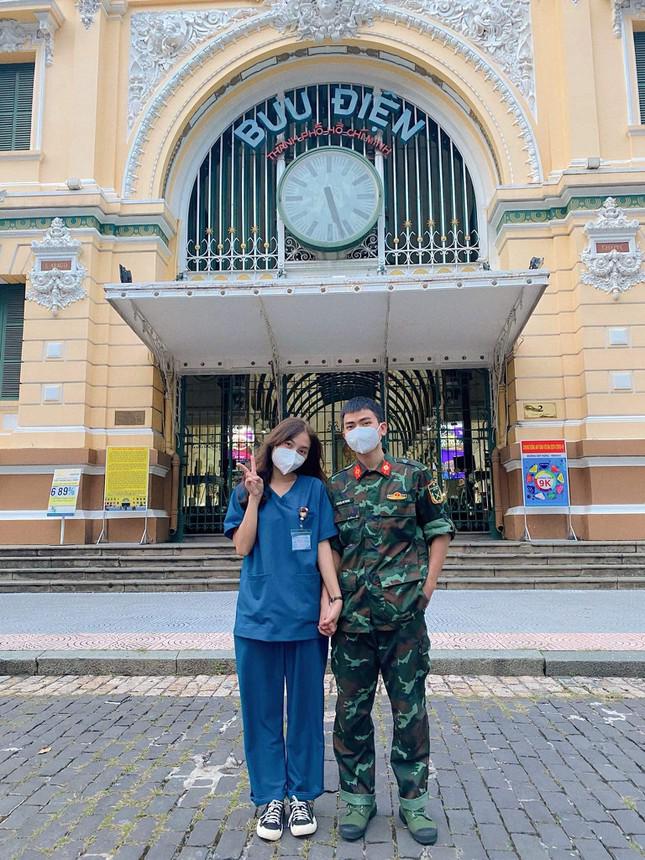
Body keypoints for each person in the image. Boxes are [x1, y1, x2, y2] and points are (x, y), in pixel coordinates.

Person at [325, 397, 455, 845]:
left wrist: (429, 587)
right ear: (343, 435)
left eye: (365, 423)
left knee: (410, 712)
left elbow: (438, 531)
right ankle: (359, 799)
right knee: (351, 713)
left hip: (403, 622)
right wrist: (332, 598)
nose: (357, 430)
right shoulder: (335, 487)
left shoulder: (413, 476)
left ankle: (414, 803)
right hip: (353, 625)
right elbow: (332, 548)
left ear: (381, 428)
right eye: (349, 425)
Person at [224, 417, 343, 842]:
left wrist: (335, 596)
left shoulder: (314, 491)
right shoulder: (245, 490)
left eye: (304, 450)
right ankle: (270, 798)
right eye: (288, 444)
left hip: (305, 623)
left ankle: (302, 796)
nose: (294, 454)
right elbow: (242, 546)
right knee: (262, 714)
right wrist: (254, 499)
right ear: (273, 443)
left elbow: (324, 546)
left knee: (307, 713)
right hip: (257, 621)